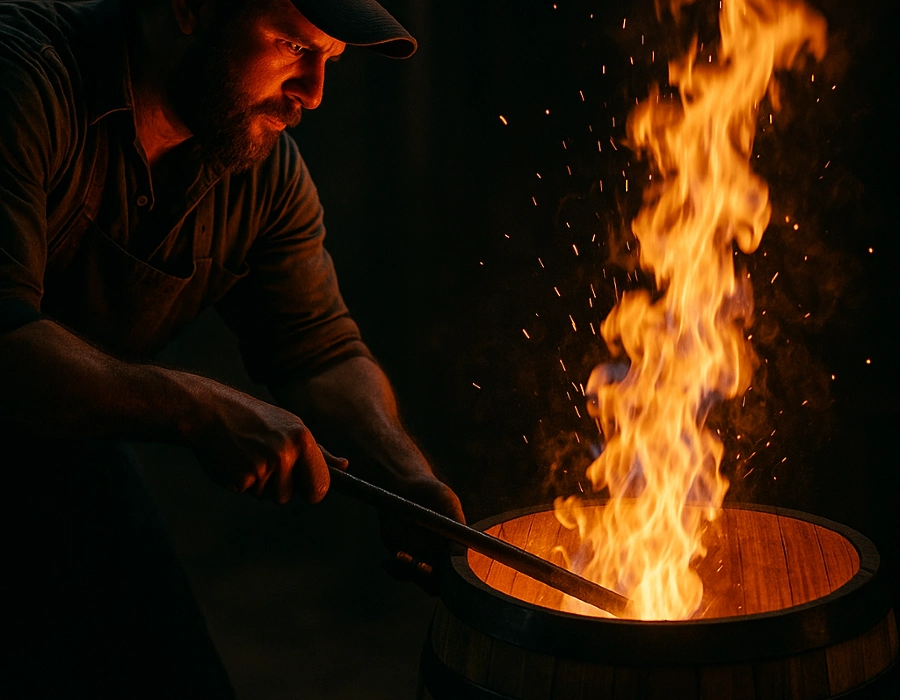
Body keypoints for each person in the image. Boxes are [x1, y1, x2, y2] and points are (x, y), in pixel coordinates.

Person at [0, 0, 464, 694]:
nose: (312, 92)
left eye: (329, 60)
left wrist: (403, 478)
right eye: (292, 46)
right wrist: (199, 407)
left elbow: (319, 351)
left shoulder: (263, 175)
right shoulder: (24, 80)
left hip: (53, 454)